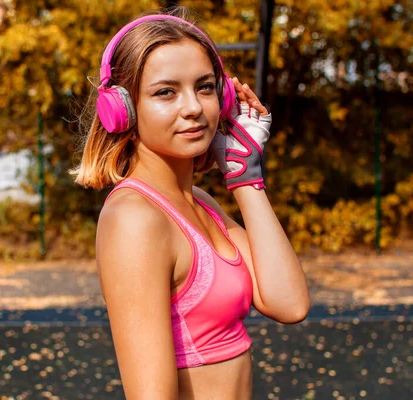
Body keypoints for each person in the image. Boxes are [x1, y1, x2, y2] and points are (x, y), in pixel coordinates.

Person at [71, 7, 310, 399]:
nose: (194, 107)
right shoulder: (135, 219)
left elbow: (289, 303)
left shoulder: (201, 202)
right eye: (166, 92)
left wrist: (244, 175)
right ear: (122, 110)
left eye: (204, 87)